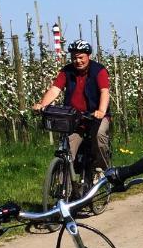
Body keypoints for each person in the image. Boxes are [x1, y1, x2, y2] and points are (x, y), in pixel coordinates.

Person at [33, 40, 111, 172]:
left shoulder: (99, 70)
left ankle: (102, 170)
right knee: (67, 149)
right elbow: (55, 89)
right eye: (74, 57)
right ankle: (66, 183)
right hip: (74, 117)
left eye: (81, 57)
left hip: (95, 116)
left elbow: (104, 91)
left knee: (99, 135)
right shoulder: (67, 71)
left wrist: (101, 111)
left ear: (88, 56)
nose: (78, 61)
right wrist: (42, 104)